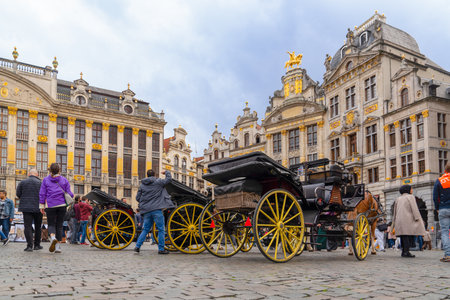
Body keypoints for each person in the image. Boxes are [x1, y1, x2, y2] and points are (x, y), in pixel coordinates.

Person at [134, 169, 174, 254]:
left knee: (145, 229)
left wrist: (145, 201)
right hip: (156, 209)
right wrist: (166, 172)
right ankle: (161, 249)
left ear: (147, 175)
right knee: (161, 229)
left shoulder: (142, 185)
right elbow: (169, 179)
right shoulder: (158, 182)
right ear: (154, 174)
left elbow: (137, 198)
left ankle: (137, 246)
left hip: (146, 211)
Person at [39, 163, 74, 253]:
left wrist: (41, 205)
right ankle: (58, 247)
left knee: (51, 224)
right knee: (59, 225)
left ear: (50, 170)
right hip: (62, 205)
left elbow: (42, 193)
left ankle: (53, 238)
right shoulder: (64, 180)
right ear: (59, 170)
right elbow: (69, 193)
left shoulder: (46, 180)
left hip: (50, 205)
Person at [391, 185, 426, 258]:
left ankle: (404, 251)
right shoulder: (411, 197)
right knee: (406, 235)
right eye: (411, 188)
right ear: (408, 190)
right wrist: (417, 218)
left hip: (399, 219)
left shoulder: (398, 198)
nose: (412, 190)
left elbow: (394, 211)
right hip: (407, 219)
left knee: (403, 236)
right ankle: (406, 252)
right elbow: (414, 208)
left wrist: (394, 220)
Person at [16, 169, 43, 251]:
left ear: (29, 174)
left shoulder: (22, 182)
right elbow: (44, 195)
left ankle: (29, 246)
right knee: (38, 227)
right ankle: (37, 245)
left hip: (26, 207)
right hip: (38, 207)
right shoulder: (41, 183)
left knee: (27, 226)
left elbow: (18, 194)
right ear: (37, 174)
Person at [433, 162, 450, 262]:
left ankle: (448, 254)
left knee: (445, 232)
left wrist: (437, 208)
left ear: (445, 170)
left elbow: (435, 196)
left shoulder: (439, 180)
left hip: (443, 208)